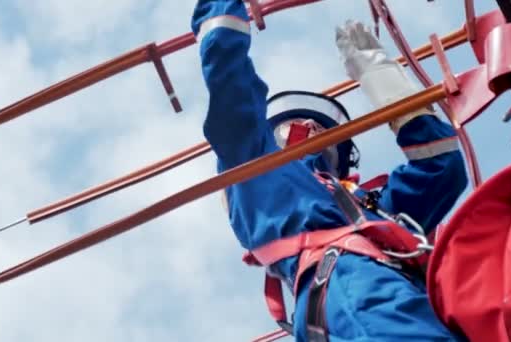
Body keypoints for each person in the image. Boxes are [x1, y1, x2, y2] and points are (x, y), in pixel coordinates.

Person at [192, 0, 467, 340]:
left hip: (398, 290)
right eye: (295, 121)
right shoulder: (252, 168)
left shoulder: (367, 208)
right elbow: (229, 79)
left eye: (323, 126)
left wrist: (379, 75)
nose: (309, 123)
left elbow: (441, 166)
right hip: (345, 283)